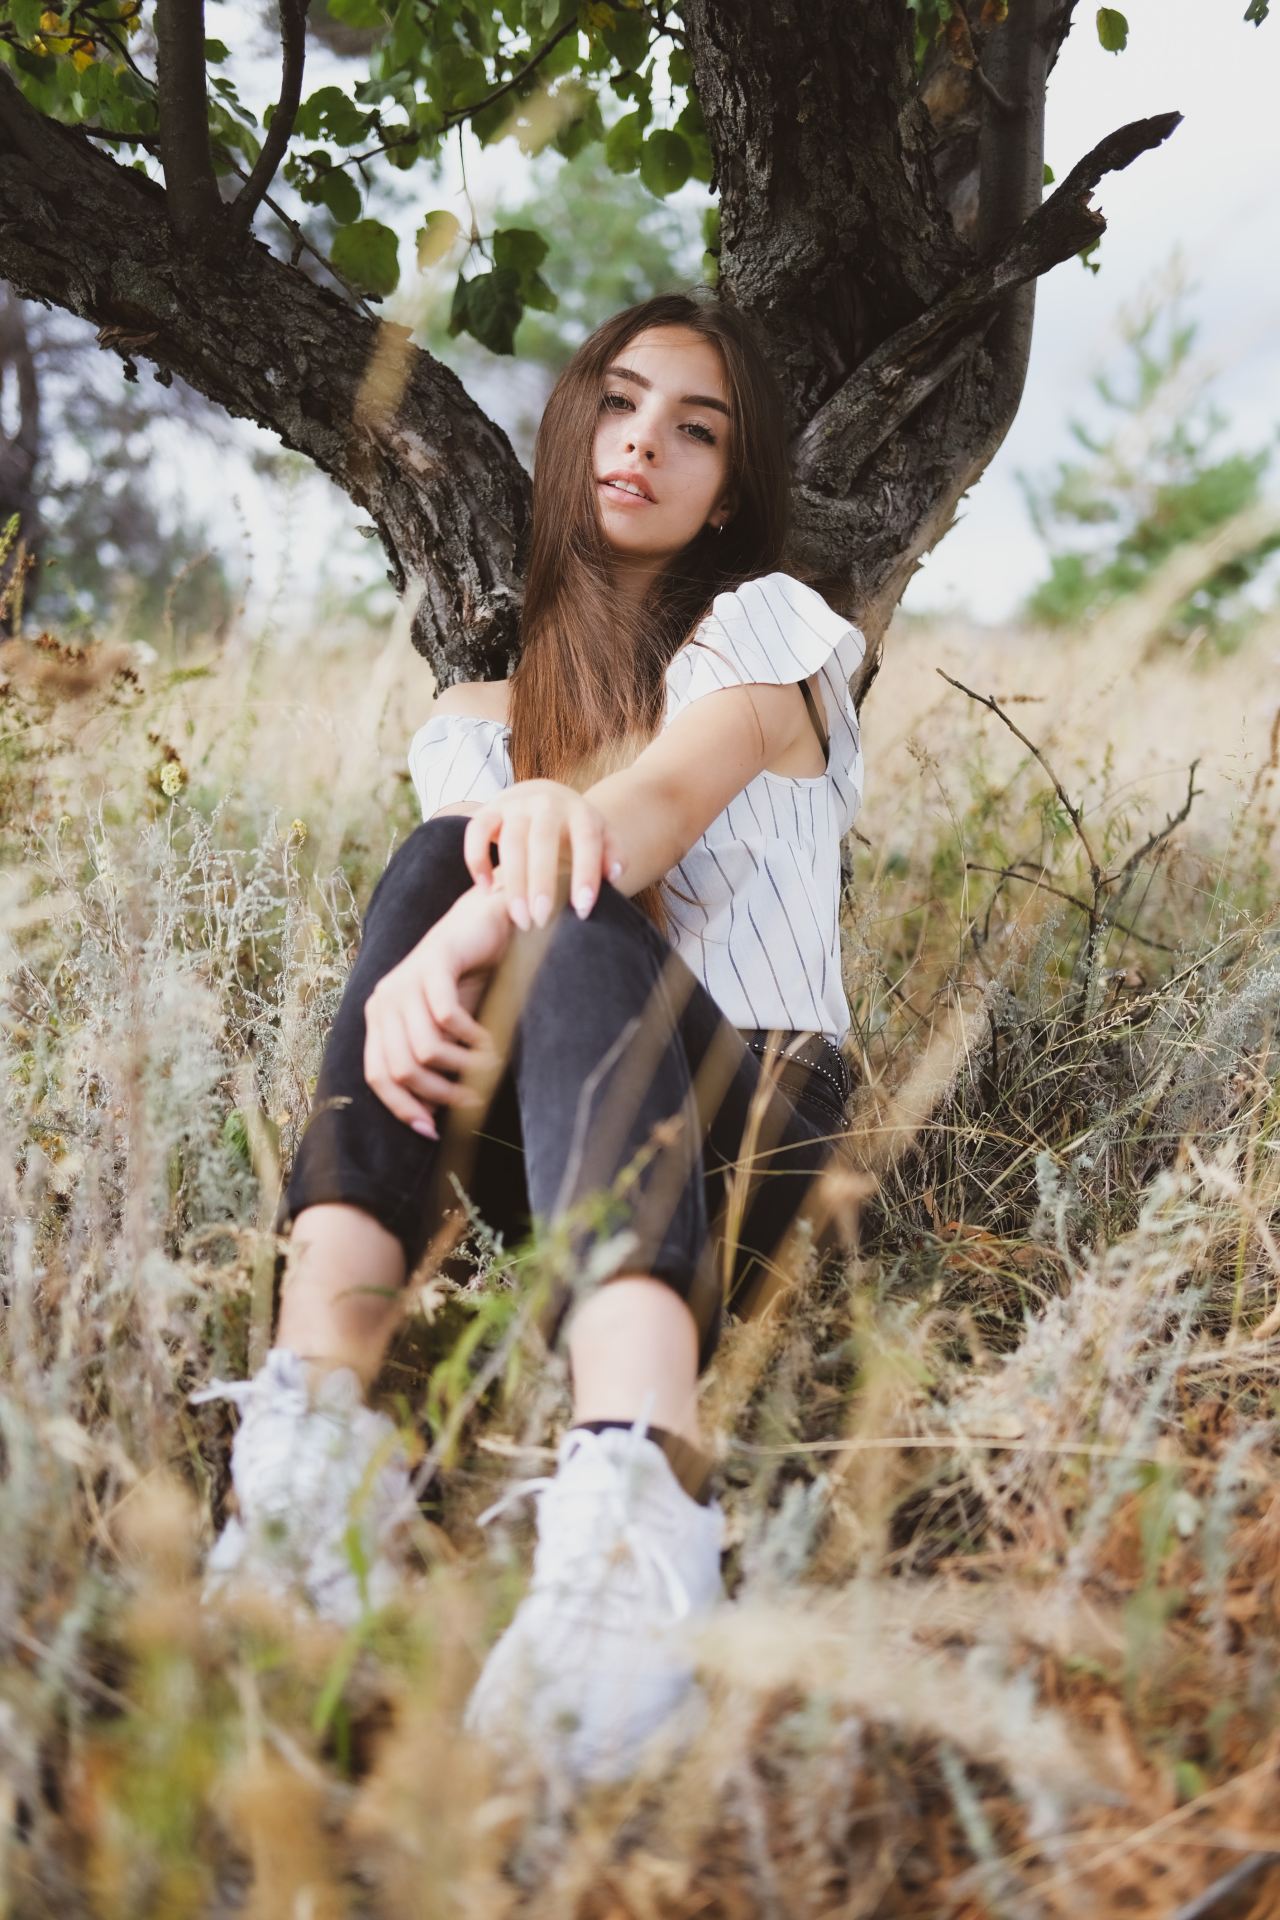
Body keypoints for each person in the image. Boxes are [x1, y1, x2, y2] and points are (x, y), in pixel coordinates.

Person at [190, 287, 866, 1786]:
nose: (644, 446)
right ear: (570, 429)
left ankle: (640, 1511)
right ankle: (308, 1461)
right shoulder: (482, 710)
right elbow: (485, 882)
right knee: (459, 850)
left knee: (522, 870)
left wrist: (486, 905)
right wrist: (468, 896)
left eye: (695, 430)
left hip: (750, 1124)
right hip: (555, 1166)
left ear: (730, 488)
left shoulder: (769, 633)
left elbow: (654, 811)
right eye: (618, 406)